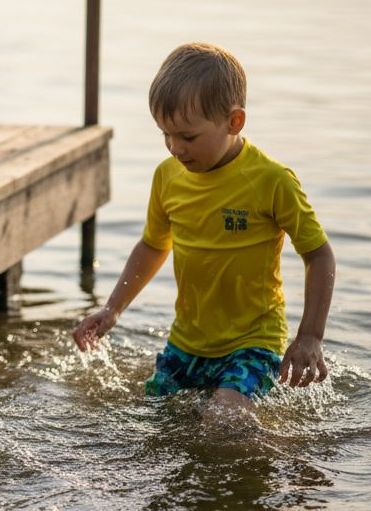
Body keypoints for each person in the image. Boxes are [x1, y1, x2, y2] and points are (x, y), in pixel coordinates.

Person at [73, 42, 337, 419]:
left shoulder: (271, 181)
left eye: (188, 137)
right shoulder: (167, 177)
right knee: (154, 425)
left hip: (253, 342)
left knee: (222, 424)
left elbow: (319, 254)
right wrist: (113, 309)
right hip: (186, 343)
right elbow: (152, 245)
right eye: (165, 134)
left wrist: (310, 335)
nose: (175, 148)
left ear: (234, 122)